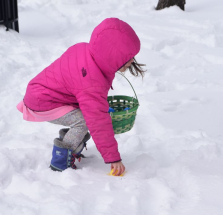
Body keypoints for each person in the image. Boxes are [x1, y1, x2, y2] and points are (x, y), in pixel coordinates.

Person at [17, 18, 145, 176]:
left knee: (88, 115)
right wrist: (113, 158)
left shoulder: (85, 50)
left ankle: (73, 141)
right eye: (127, 57)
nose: (132, 60)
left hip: (42, 93)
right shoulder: (92, 81)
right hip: (43, 101)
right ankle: (60, 161)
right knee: (86, 120)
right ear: (111, 56)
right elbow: (97, 119)